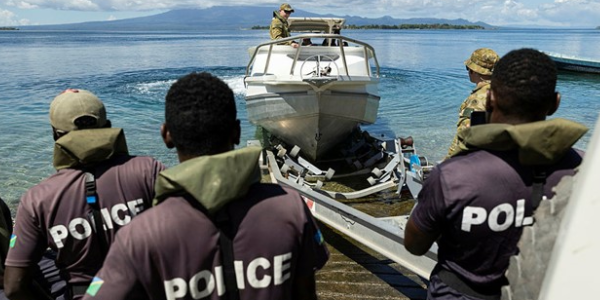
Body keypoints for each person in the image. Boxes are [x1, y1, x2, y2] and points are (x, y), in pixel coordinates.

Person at [81, 72, 329, 300]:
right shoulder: (290, 208)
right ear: (236, 132)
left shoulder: (138, 237)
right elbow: (306, 293)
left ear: (166, 136)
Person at [404, 48, 587, 300]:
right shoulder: (584, 170)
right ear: (556, 103)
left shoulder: (453, 177)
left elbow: (414, 245)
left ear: (491, 100)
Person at [4, 89, 165, 300]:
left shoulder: (37, 199)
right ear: (107, 127)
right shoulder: (148, 170)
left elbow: (14, 286)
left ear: (55, 135)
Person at [446, 48, 500, 158]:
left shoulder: (478, 99)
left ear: (473, 70)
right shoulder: (506, 92)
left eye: (468, 68)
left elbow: (465, 135)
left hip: (480, 159)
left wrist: (448, 160)